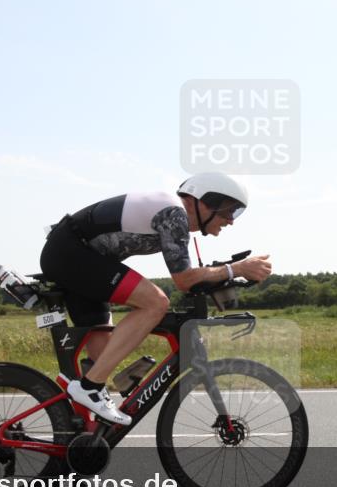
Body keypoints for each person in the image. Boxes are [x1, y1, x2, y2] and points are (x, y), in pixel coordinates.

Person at [39, 173, 272, 426]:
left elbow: (190, 278)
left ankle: (85, 435)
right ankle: (89, 388)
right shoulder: (174, 213)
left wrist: (225, 274)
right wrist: (235, 269)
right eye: (229, 212)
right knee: (155, 303)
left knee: (102, 355)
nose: (230, 221)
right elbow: (183, 279)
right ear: (206, 201)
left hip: (80, 257)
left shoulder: (173, 213)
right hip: (71, 254)